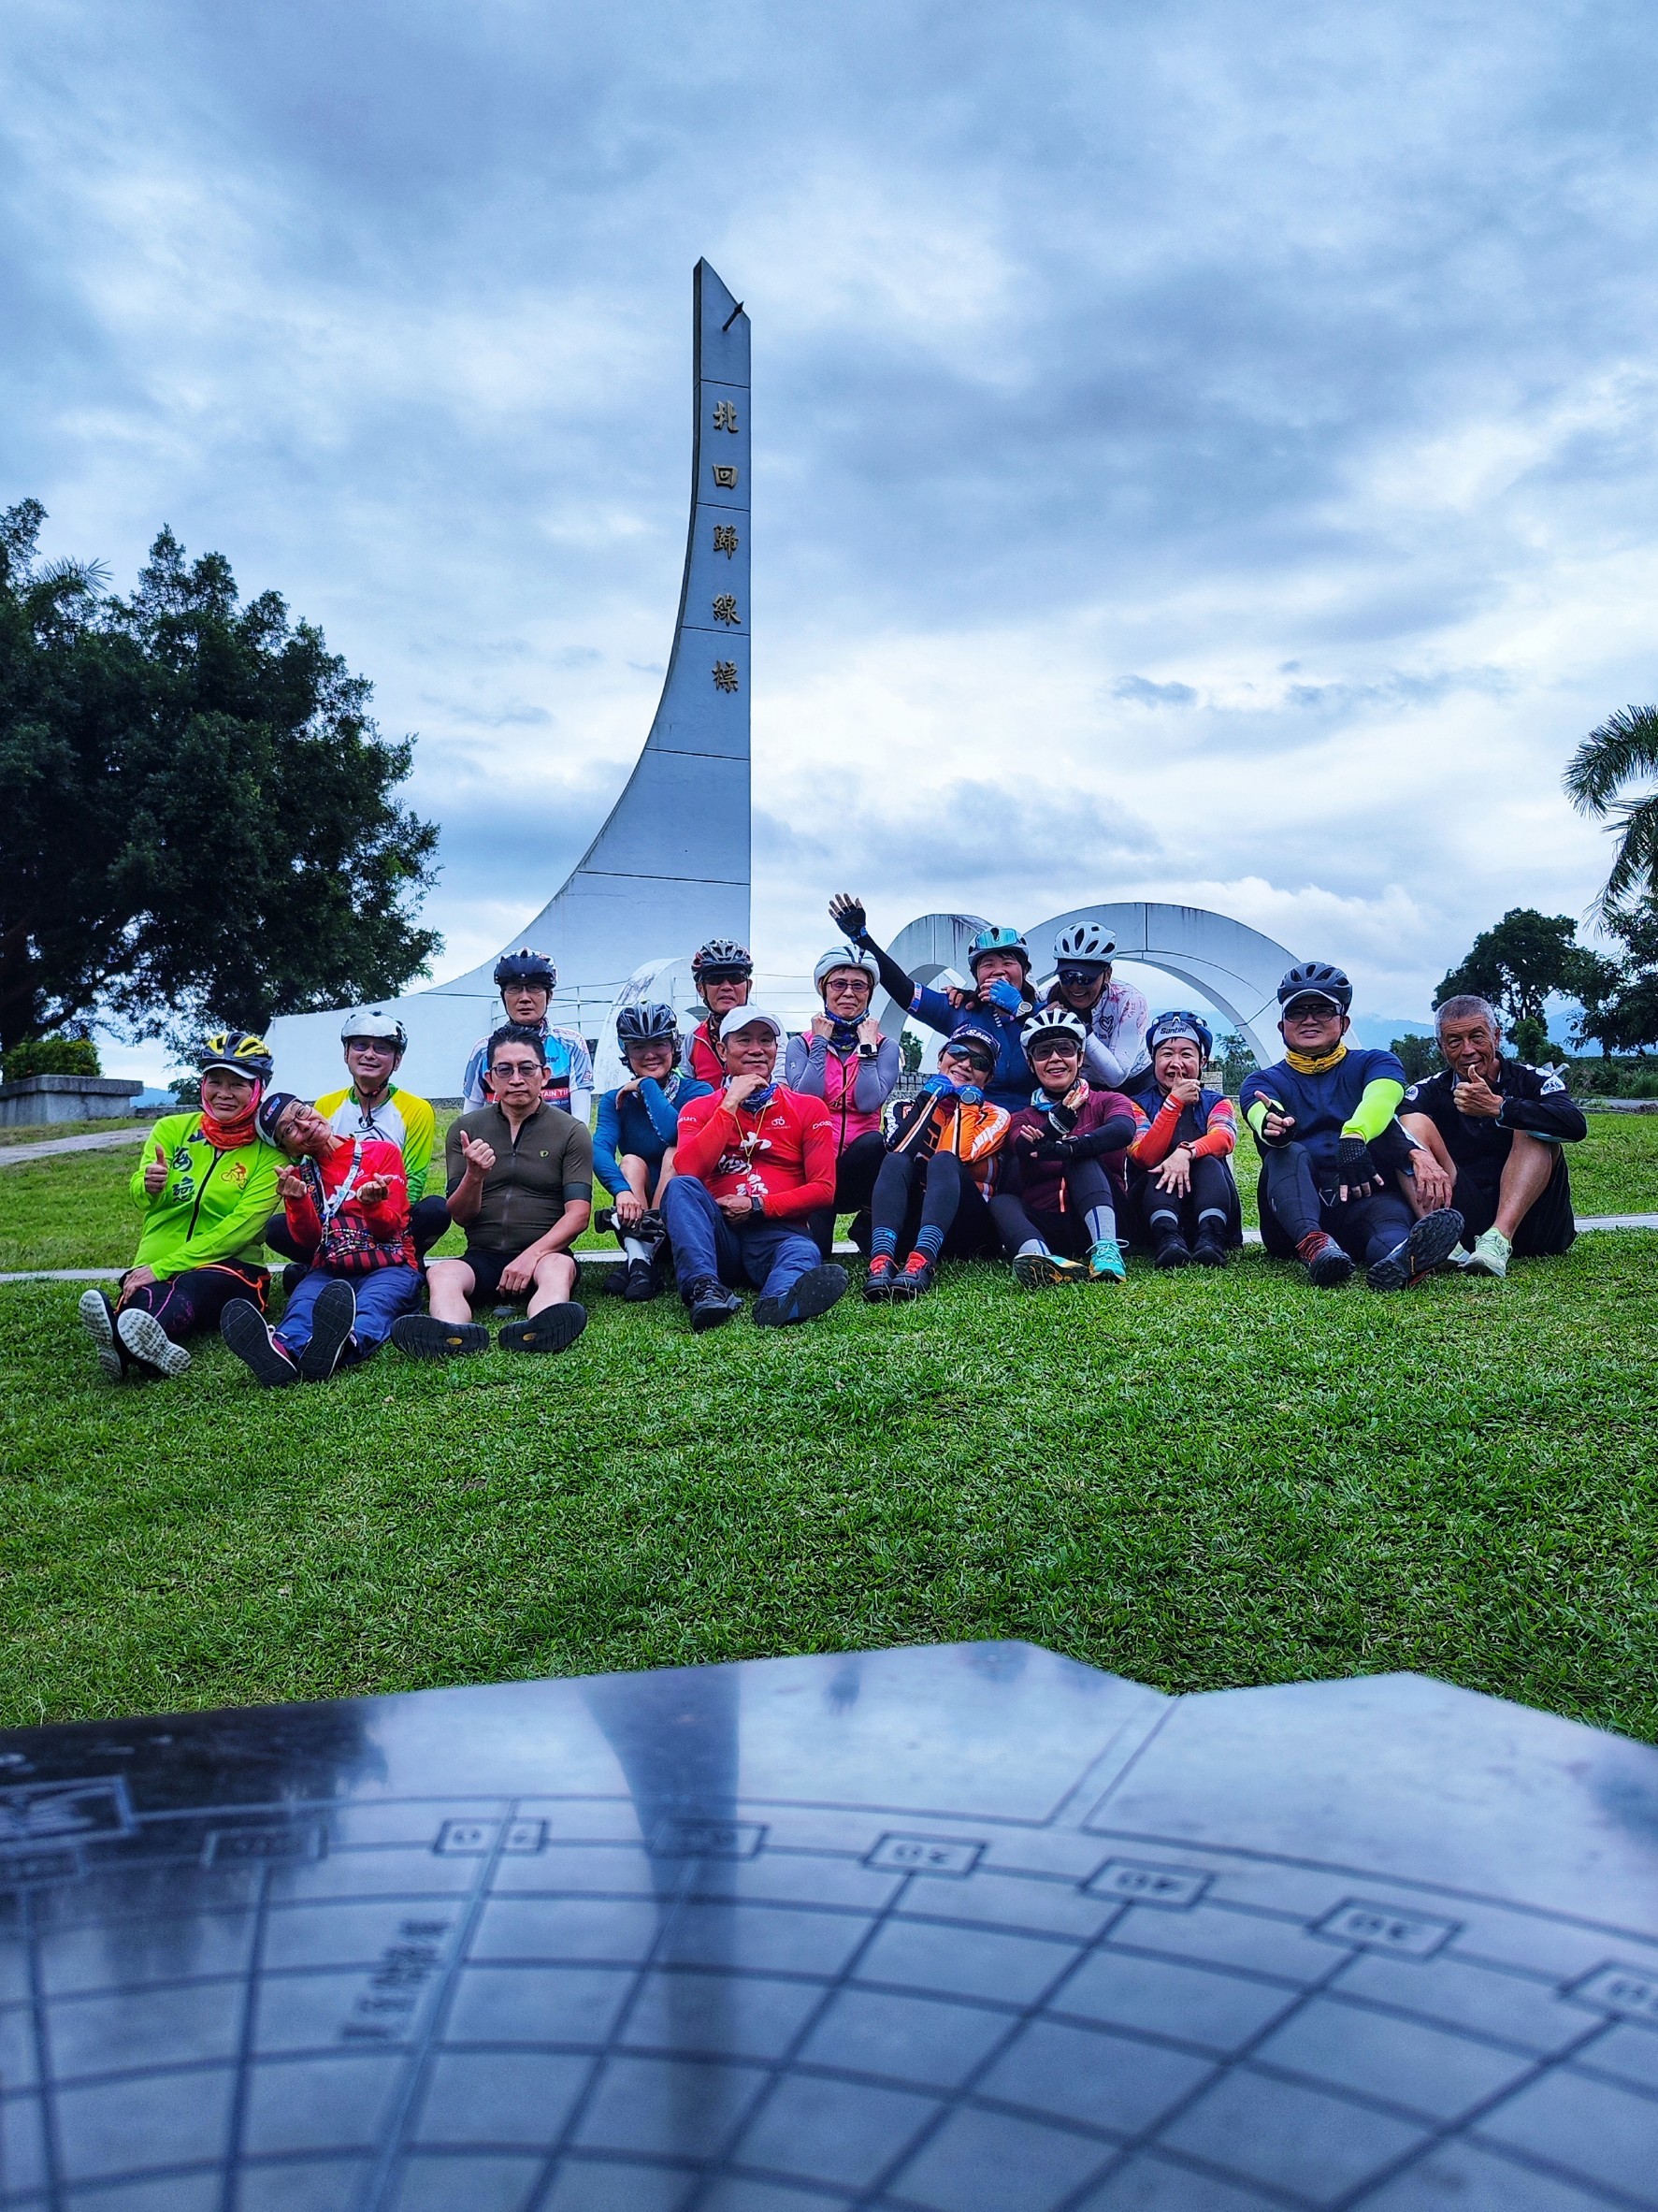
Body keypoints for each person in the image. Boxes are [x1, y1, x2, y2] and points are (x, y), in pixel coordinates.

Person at [1240, 962, 1463, 1290]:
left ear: (1344, 1022)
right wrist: (1272, 1124)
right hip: (1293, 1215)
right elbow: (1258, 1112)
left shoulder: (1376, 1062)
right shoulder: (1261, 1080)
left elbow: (1382, 1099)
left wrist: (1354, 1136)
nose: (1310, 1019)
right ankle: (1315, 1245)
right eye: (1297, 1012)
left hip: (1363, 1195)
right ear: (1281, 1026)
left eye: (1323, 1010)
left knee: (1388, 1224)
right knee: (1288, 1152)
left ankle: (1402, 1259)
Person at [78, 1031, 283, 1382]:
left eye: (238, 1084)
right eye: (215, 1081)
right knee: (149, 1294)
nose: (224, 1093)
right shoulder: (171, 1129)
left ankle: (121, 1340)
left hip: (233, 1269)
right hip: (156, 1265)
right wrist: (148, 1185)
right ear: (202, 1084)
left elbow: (241, 1228)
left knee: (193, 1285)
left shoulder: (272, 1153)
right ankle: (137, 1345)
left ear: (258, 1089)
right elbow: (140, 1196)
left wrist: (163, 1268)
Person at [394, 1024, 592, 1358]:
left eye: (526, 1068)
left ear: (544, 1075)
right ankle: (453, 1335)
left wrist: (530, 1258)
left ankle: (541, 1329)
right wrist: (474, 1175)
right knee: (442, 1274)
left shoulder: (570, 1131)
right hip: (482, 1256)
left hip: (544, 1255)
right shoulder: (466, 1130)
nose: (516, 1078)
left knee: (558, 1269)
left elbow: (579, 1214)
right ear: (490, 1078)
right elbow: (459, 1215)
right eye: (505, 1069)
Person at [661, 1005, 849, 1331]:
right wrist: (729, 1104)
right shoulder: (698, 1108)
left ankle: (778, 1302)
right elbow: (688, 1169)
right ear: (722, 1050)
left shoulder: (808, 1107)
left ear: (777, 1049)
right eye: (744, 1040)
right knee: (679, 1187)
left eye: (766, 1040)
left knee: (803, 1250)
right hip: (719, 1235)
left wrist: (758, 1206)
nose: (756, 1049)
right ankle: (705, 1290)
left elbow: (824, 1189)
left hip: (779, 1234)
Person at [219, 1093, 420, 1385]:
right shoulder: (301, 1176)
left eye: (301, 1112)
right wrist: (297, 1200)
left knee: (374, 1303)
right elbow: (309, 1241)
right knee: (303, 1302)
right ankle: (281, 1351)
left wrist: (372, 1205)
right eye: (289, 1130)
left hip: (390, 1264)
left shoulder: (381, 1152)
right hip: (329, 1267)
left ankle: (344, 1344)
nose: (304, 1125)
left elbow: (391, 1229)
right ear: (286, 1148)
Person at [1398, 995, 1586, 1277]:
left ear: (1496, 1037)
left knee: (1530, 1124)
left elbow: (1576, 1126)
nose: (1468, 1050)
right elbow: (1391, 1138)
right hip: (1464, 1220)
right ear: (1441, 1048)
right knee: (1409, 1128)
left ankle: (1499, 1239)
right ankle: (1440, 1240)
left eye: (1477, 1037)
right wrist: (1417, 1154)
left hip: (1538, 1225)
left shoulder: (1533, 1080)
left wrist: (1500, 1108)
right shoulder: (1428, 1092)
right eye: (1454, 1041)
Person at [266, 1009, 447, 1275]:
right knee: (277, 1227)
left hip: (387, 1215)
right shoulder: (326, 1105)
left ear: (397, 1061)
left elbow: (414, 1181)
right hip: (335, 1218)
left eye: (382, 1048)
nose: (369, 1054)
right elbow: (312, 1171)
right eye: (360, 1046)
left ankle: (399, 1258)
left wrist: (373, 1220)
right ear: (346, 1054)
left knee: (435, 1210)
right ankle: (328, 1263)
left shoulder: (417, 1109)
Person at [827, 894, 1037, 1112]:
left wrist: (1022, 1011)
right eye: (988, 964)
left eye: (1008, 963)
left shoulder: (1047, 1013)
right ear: (976, 975)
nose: (998, 970)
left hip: (1031, 1132)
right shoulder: (960, 1010)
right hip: (973, 1128)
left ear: (1025, 970)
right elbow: (904, 990)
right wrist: (862, 938)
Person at [865, 1026, 1010, 1301]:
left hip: (969, 1229)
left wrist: (965, 1105)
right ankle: (881, 1262)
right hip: (915, 1221)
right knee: (896, 1161)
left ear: (987, 1078)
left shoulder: (996, 1115)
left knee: (944, 1162)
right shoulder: (905, 1106)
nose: (966, 1064)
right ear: (941, 1057)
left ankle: (922, 1263)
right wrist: (928, 1102)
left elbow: (958, 1155)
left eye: (979, 1063)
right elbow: (897, 1149)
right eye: (958, 1053)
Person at [992, 1008, 1135, 1287]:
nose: (1055, 1058)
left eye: (1064, 1049)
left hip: (1106, 1213)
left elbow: (1123, 1130)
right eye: (1044, 1052)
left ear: (1080, 1058)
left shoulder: (1107, 1100)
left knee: (1081, 1157)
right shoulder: (1023, 1116)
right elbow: (1024, 1147)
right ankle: (1041, 1259)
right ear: (1031, 1064)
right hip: (1049, 1222)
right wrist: (1056, 1125)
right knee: (1001, 1202)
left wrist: (1065, 1147)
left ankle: (1106, 1249)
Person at [785, 945, 900, 1259]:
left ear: (869, 993)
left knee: (874, 1142)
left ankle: (866, 1223)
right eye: (839, 984)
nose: (849, 992)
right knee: (816, 1255)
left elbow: (867, 1101)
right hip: (815, 1170)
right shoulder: (801, 1044)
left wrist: (866, 1048)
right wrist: (820, 1042)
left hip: (859, 1169)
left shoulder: (885, 1047)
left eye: (858, 985)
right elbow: (806, 1097)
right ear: (824, 989)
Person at [592, 1001, 712, 1300]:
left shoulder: (698, 1092)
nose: (649, 1054)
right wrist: (621, 1191)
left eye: (658, 1043)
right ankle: (641, 1262)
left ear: (673, 1045)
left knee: (674, 1152)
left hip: (686, 1212)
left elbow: (674, 1132)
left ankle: (641, 1261)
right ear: (626, 1052)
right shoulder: (614, 1100)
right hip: (637, 1207)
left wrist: (647, 1085)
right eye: (638, 1047)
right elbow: (599, 1149)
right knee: (631, 1161)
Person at [1125, 1012, 1243, 1266]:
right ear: (1153, 1060)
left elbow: (1224, 1138)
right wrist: (1174, 1103)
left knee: (1209, 1162)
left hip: (1211, 1202)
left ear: (1202, 1061)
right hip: (1151, 1210)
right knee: (1159, 1164)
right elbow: (1144, 1155)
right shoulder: (1135, 1105)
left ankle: (1211, 1237)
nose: (1176, 1063)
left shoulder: (1217, 1103)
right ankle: (1168, 1239)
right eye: (1166, 1054)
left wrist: (1186, 1153)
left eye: (1186, 1055)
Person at [461, 949, 593, 1123]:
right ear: (503, 997)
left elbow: (580, 1123)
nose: (524, 998)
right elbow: (469, 1121)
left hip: (557, 1145)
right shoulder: (483, 1050)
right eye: (514, 989)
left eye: (534, 988)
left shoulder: (572, 1045)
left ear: (549, 996)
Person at [1044, 920, 1150, 1087]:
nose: (1076, 986)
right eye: (1067, 976)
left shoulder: (1129, 1001)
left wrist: (1079, 1027)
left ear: (1107, 975)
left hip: (1134, 1083)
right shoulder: (1048, 997)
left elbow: (1116, 1076)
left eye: (1086, 978)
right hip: (1084, 1083)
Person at [684, 938, 755, 1086]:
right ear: (701, 989)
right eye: (715, 979)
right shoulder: (693, 1038)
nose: (726, 987)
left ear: (748, 985)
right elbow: (686, 1093)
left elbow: (780, 1086)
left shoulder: (769, 1029)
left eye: (736, 978)